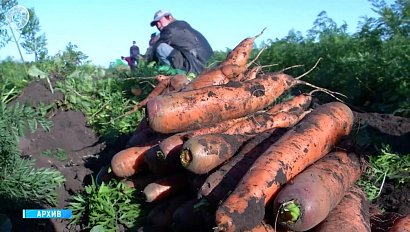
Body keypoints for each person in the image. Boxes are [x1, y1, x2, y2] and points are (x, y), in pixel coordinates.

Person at [148, 10, 214, 75]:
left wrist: (148, 66)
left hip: (194, 68)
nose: (158, 25)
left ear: (169, 17)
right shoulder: (182, 27)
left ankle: (177, 77)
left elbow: (154, 51)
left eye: (159, 21)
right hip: (209, 66)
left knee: (161, 48)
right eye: (156, 24)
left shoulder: (170, 30)